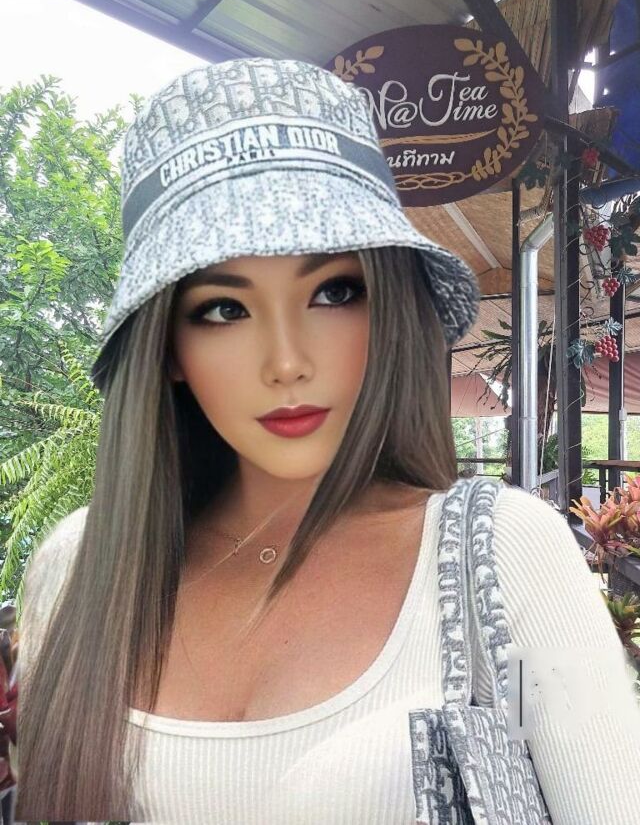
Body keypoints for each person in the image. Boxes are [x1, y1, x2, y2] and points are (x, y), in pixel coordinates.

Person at [14, 58, 640, 824]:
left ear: (388, 311)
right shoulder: (77, 570)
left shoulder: (504, 554)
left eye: (334, 291)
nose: (286, 362)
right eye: (223, 309)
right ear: (168, 347)